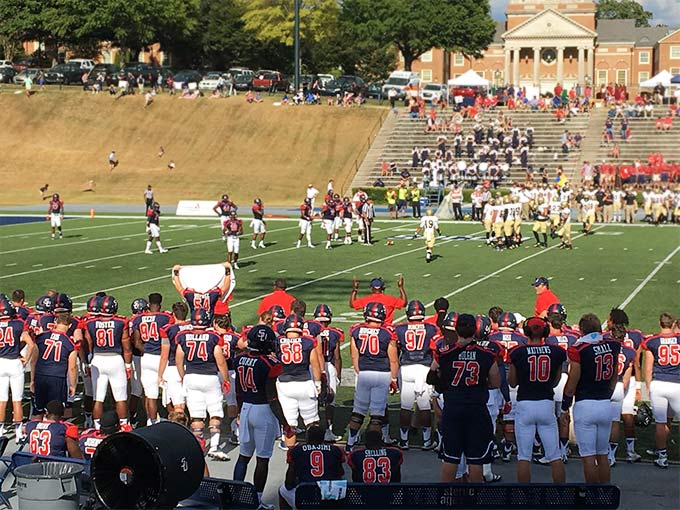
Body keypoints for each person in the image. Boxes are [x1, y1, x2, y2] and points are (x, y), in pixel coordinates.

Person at [428, 314, 500, 483]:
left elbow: (431, 376)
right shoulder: (487, 353)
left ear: (457, 330)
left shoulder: (445, 352)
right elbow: (495, 382)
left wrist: (446, 383)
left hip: (454, 407)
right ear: (475, 330)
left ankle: (446, 498)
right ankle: (474, 500)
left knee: (450, 457)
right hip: (476, 408)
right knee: (475, 460)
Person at [232, 325, 291, 510]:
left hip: (247, 407)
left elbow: (239, 392)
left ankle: (235, 495)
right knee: (262, 459)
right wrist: (285, 423)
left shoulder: (240, 359)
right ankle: (257, 501)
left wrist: (241, 412)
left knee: (243, 457)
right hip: (263, 410)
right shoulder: (270, 363)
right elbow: (272, 398)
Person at [560, 313, 620, 483]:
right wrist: (607, 393)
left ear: (582, 330)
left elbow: (572, 383)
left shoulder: (579, 349)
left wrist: (565, 406)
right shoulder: (613, 345)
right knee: (602, 454)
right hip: (604, 403)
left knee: (588, 456)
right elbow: (615, 375)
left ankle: (593, 496)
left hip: (585, 405)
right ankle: (604, 494)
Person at [508, 317, 566, 483]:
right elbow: (555, 382)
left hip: (525, 404)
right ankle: (561, 495)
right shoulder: (556, 352)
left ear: (526, 332)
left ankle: (524, 497)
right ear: (545, 332)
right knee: (555, 455)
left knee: (524, 456)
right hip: (546, 403)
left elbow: (512, 382)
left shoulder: (517, 353)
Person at [176, 309, 230, 461]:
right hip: (209, 377)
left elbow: (179, 359)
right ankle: (214, 446)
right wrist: (226, 379)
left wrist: (183, 376)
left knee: (196, 415)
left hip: (191, 376)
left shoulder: (183, 336)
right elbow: (220, 360)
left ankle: (198, 444)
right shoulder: (213, 337)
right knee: (215, 412)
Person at [346, 303, 399, 451]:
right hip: (382, 373)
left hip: (364, 372)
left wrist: (359, 370)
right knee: (377, 413)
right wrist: (394, 379)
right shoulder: (388, 332)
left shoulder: (356, 330)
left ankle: (350, 443)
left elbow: (354, 354)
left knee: (359, 410)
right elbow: (393, 359)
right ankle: (374, 446)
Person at [394, 300, 439, 450]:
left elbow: (397, 347)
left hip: (406, 367)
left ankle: (404, 440)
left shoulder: (400, 329)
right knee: (424, 405)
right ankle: (426, 441)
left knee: (405, 406)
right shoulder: (431, 328)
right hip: (423, 368)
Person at [82, 295, 132, 429]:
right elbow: (126, 347)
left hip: (97, 359)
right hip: (115, 359)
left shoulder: (90, 323)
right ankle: (124, 425)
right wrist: (128, 365)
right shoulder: (121, 322)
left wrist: (87, 362)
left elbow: (88, 344)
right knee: (120, 397)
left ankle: (97, 426)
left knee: (98, 398)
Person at [275, 314, 322, 450]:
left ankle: (291, 456)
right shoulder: (308, 341)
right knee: (312, 421)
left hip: (284, 385)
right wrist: (318, 383)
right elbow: (315, 364)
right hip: (304, 384)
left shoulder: (278, 341)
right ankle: (314, 451)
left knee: (290, 424)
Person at [642, 312, 680, 469]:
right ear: (672, 325)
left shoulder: (652, 341)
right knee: (668, 420)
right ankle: (660, 451)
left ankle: (662, 456)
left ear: (660, 323)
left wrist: (649, 388)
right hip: (677, 384)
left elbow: (648, 367)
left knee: (660, 422)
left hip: (659, 384)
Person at [278, 425, 345, 509]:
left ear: (308, 437)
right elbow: (341, 473)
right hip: (328, 498)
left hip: (306, 498)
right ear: (323, 437)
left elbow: (289, 480)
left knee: (282, 490)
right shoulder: (335, 450)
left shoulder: (297, 450)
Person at [130, 293, 173, 425]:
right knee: (170, 392)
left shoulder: (139, 319)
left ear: (148, 304)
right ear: (160, 303)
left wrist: (148, 350)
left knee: (151, 394)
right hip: (161, 358)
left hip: (146, 358)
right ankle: (174, 421)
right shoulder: (166, 317)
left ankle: (152, 421)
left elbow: (137, 342)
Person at [31, 312, 79, 418]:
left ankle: (35, 431)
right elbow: (72, 367)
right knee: (55, 411)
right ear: (70, 325)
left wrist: (32, 380)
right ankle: (53, 432)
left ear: (56, 323)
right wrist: (72, 385)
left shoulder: (41, 337)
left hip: (41, 375)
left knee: (38, 410)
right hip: (57, 378)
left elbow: (33, 361)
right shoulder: (69, 342)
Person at [0, 297, 34, 441]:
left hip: (1, 363)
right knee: (17, 400)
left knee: (2, 400)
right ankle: (18, 433)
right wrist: (25, 358)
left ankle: (0, 431)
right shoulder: (19, 323)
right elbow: (30, 344)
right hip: (14, 363)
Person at [313, 304, 344, 442]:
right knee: (330, 400)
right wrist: (338, 374)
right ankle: (328, 430)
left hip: (314, 366)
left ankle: (312, 430)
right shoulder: (335, 333)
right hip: (328, 365)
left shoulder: (310, 331)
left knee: (312, 399)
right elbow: (337, 357)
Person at [606, 323, 635, 467]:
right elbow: (626, 379)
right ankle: (611, 454)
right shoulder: (629, 352)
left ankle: (602, 451)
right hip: (618, 387)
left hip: (605, 386)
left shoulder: (605, 349)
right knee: (615, 421)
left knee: (602, 421)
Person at [158, 302, 191, 413]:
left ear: (174, 314)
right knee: (193, 404)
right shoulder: (194, 326)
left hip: (174, 368)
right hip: (192, 366)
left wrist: (160, 374)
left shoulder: (168, 329)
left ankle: (180, 428)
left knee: (178, 406)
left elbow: (164, 355)